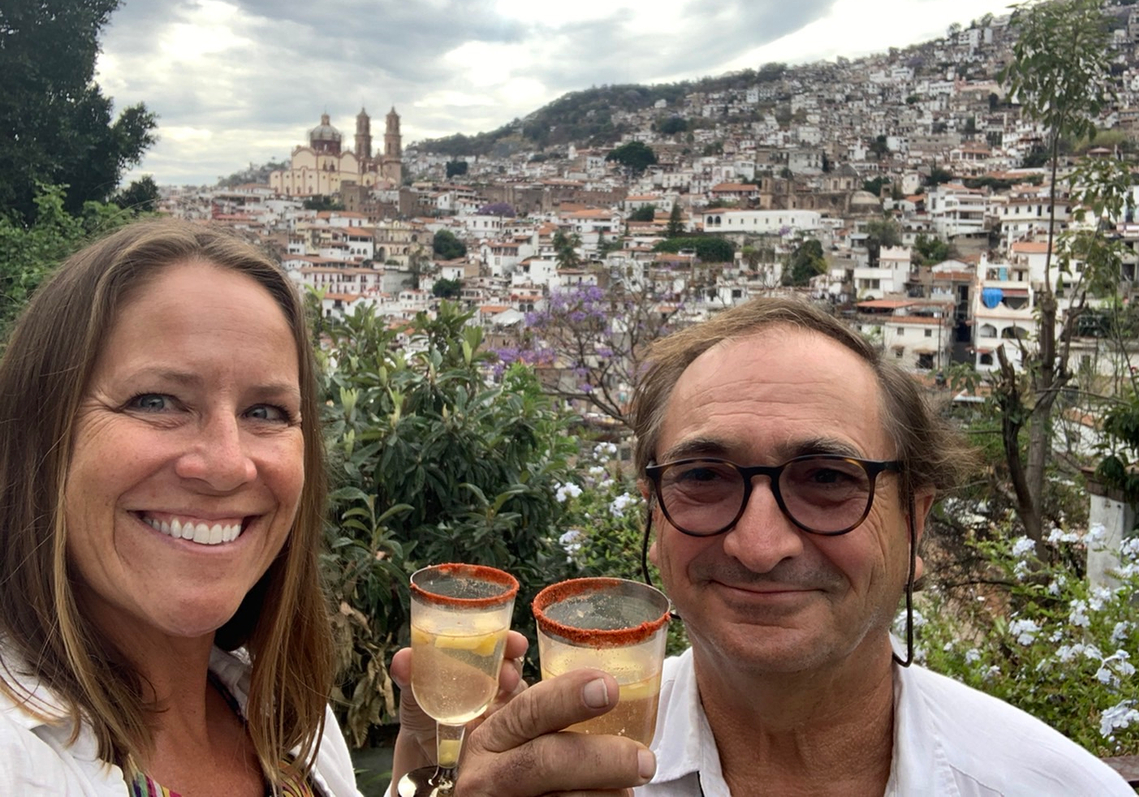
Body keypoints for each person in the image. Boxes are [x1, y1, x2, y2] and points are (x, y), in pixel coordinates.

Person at [0, 219, 652, 797]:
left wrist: (429, 772)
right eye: (156, 400)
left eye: (266, 411)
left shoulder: (281, 715)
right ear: (39, 433)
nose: (228, 463)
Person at [628, 297, 1135, 797]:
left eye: (827, 478)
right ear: (656, 512)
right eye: (701, 475)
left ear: (912, 522)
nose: (760, 547)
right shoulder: (578, 765)